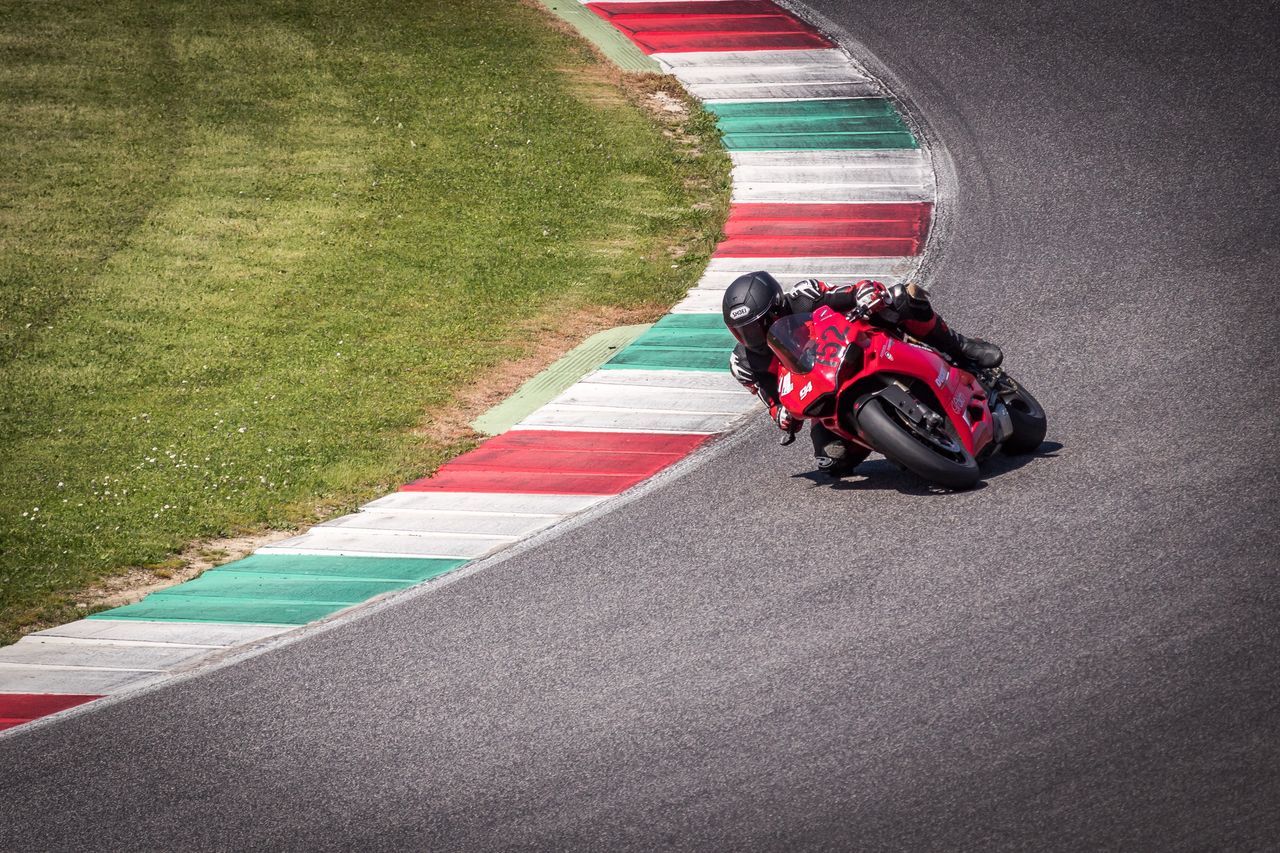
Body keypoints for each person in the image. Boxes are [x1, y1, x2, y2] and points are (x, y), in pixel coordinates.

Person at [722, 270, 1003, 477]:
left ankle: (960, 346)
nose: (752, 337)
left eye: (757, 327)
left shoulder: (804, 295)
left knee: (901, 299)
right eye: (742, 332)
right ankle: (901, 442)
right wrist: (782, 417)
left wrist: (864, 292)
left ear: (777, 308)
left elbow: (844, 293)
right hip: (824, 392)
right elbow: (773, 402)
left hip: (858, 345)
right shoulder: (745, 363)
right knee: (831, 461)